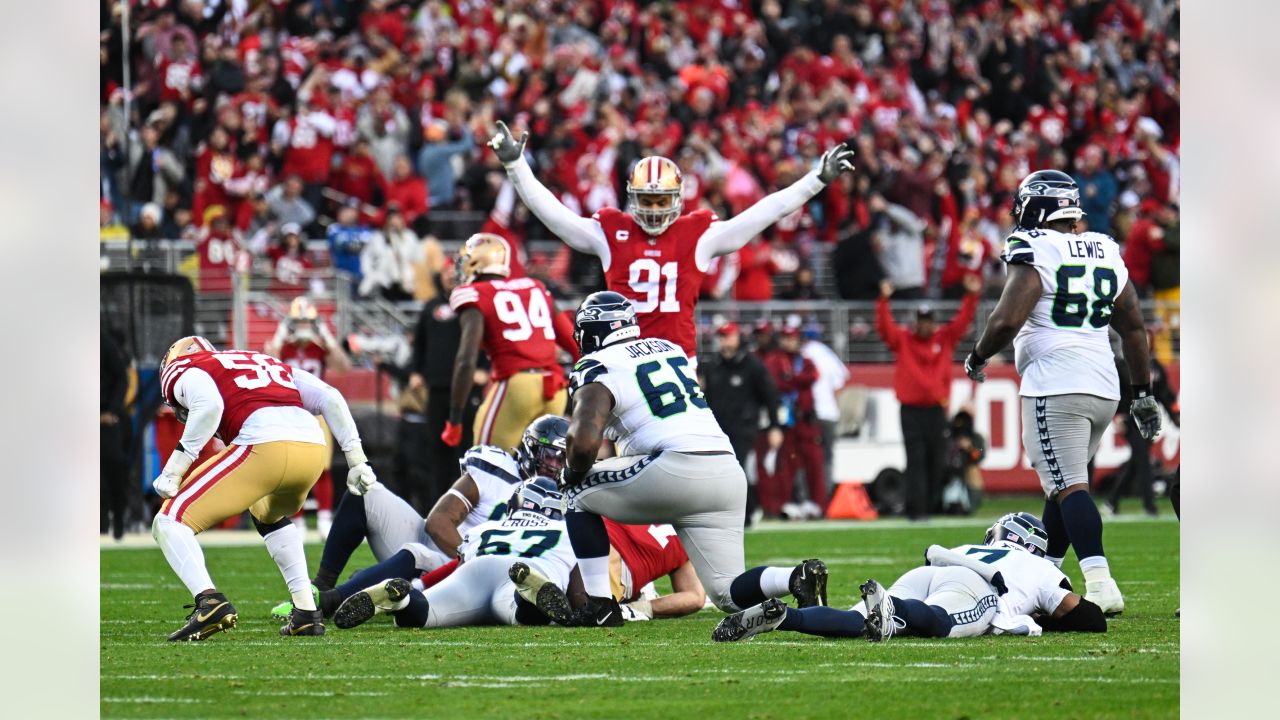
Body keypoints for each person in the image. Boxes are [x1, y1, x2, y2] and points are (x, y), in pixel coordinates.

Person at [557, 292, 829, 627]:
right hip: (727, 472)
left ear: (591, 332)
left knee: (572, 490)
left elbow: (582, 444)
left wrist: (572, 471)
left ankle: (599, 607)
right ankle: (795, 577)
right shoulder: (668, 348)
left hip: (674, 468)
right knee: (727, 594)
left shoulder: (598, 365)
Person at [962, 169, 1162, 616]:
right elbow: (1132, 325)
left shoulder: (1035, 246)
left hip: (1057, 383)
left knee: (1069, 486)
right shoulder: (1105, 248)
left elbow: (1008, 318)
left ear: (1034, 206)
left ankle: (1100, 582)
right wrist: (1142, 391)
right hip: (1103, 387)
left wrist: (977, 356)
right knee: (1063, 485)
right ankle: (1048, 574)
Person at [488, 121, 855, 357]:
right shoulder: (611, 230)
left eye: (661, 200)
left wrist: (815, 180)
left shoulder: (697, 234)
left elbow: (765, 211)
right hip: (621, 357)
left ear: (676, 199)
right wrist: (516, 166)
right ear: (632, 197)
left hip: (676, 358)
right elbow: (554, 215)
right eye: (646, 200)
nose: (652, 209)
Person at [152, 336, 375, 640]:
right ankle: (307, 612)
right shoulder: (267, 362)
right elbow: (330, 397)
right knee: (266, 513)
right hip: (310, 449)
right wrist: (357, 460)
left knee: (169, 521)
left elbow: (209, 405)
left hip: (263, 444)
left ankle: (209, 602)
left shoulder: (183, 367)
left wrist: (174, 469)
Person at [269, 415, 567, 621]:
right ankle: (322, 589)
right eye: (549, 455)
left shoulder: (573, 492)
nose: (554, 466)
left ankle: (345, 594)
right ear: (530, 450)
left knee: (418, 554)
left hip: (487, 573)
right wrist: (470, 554)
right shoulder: (496, 470)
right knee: (366, 491)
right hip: (456, 550)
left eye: (562, 458)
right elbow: (438, 523)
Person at [713, 512, 1107, 642]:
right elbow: (1091, 620)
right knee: (939, 621)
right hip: (978, 584)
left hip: (931, 569)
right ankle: (893, 608)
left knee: (858, 621)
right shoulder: (1039, 567)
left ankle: (787, 617)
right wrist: (1044, 615)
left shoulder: (971, 546)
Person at [332, 476, 578, 630]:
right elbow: (579, 594)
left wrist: (422, 586)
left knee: (424, 614)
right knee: (525, 616)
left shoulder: (487, 528)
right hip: (529, 567)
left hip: (477, 568)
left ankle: (402, 599)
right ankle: (527, 594)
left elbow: (456, 568)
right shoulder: (569, 531)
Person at [443, 233, 576, 453]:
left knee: (484, 465)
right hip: (555, 389)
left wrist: (454, 419)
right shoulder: (535, 286)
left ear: (476, 262)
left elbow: (466, 361)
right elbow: (574, 342)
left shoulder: (474, 293)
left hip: (517, 386)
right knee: (540, 472)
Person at [876, 273, 980, 519]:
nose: (924, 324)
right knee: (916, 461)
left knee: (936, 461)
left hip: (936, 410)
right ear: (916, 322)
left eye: (928, 320)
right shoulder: (904, 339)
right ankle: (916, 509)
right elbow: (885, 327)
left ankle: (931, 505)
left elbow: (962, 321)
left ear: (933, 322)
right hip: (911, 411)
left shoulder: (943, 338)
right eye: (921, 320)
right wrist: (883, 301)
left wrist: (971, 296)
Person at [264, 297, 352, 539]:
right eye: (298, 321)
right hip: (288, 411)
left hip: (315, 413)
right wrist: (280, 335)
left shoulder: (320, 347)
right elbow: (267, 361)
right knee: (292, 469)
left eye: (308, 321)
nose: (303, 326)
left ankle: (324, 518)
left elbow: (344, 366)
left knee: (323, 468)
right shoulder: (283, 347)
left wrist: (327, 337)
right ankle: (298, 520)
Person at [698, 321, 782, 523]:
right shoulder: (712, 366)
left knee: (736, 468)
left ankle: (743, 514)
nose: (725, 341)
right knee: (720, 471)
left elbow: (771, 396)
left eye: (729, 336)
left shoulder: (752, 365)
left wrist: (774, 426)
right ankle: (746, 509)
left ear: (737, 338)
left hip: (743, 427)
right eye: (722, 337)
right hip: (718, 428)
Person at [763, 326, 826, 518]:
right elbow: (776, 383)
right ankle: (786, 504)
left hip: (806, 420)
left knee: (814, 463)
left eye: (792, 338)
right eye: (786, 338)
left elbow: (813, 376)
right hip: (788, 421)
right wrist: (795, 380)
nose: (789, 342)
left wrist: (791, 378)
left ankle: (817, 504)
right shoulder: (775, 360)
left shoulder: (805, 360)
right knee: (787, 464)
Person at [801, 325, 850, 495]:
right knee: (827, 458)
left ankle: (807, 498)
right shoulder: (827, 353)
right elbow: (842, 379)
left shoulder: (803, 353)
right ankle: (825, 497)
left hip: (808, 412)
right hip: (828, 413)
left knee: (805, 458)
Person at [101, 328, 132, 541]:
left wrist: (111, 411)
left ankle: (119, 519)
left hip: (106, 419)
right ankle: (100, 523)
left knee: (114, 466)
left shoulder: (103, 341)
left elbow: (122, 378)